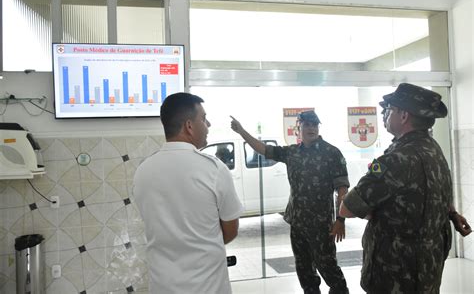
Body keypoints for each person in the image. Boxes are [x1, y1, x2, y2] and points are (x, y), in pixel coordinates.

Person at [340, 83, 472, 293]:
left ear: (403, 116)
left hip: (395, 272)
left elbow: (347, 208)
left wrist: (375, 211)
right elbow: (433, 193)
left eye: (389, 109)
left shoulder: (396, 159)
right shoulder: (433, 149)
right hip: (428, 268)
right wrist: (452, 212)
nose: (385, 114)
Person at [134, 92, 243, 294]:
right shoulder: (214, 169)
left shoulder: (143, 170)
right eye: (203, 118)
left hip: (162, 287)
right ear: (189, 126)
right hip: (208, 287)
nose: (208, 124)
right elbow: (230, 230)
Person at [231, 111, 350, 294]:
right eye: (307, 125)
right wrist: (242, 132)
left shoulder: (332, 153)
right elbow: (264, 149)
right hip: (297, 223)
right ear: (299, 128)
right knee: (304, 270)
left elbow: (342, 189)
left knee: (328, 268)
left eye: (315, 125)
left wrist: (340, 220)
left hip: (321, 225)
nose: (311, 128)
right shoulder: (292, 153)